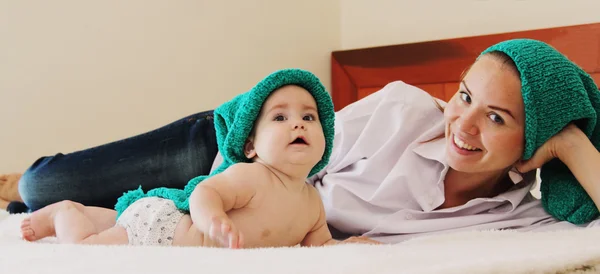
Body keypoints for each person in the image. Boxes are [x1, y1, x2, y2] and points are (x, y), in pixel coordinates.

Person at [4, 39, 600, 244]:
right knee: (40, 186)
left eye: (497, 119)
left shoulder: (516, 210)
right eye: (465, 96)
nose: (462, 126)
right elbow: (300, 149)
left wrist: (573, 145)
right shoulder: (402, 110)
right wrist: (203, 197)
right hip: (238, 146)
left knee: (112, 216)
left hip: (260, 205)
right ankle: (15, 184)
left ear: (536, 137)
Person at [19, 69, 339, 248]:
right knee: (89, 249)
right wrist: (214, 218)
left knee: (115, 221)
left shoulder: (311, 201)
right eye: (280, 118)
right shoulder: (253, 176)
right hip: (163, 230)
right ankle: (63, 213)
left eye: (309, 118)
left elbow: (320, 243)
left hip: (161, 226)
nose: (298, 123)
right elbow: (206, 192)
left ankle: (83, 211)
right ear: (250, 147)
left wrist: (352, 244)